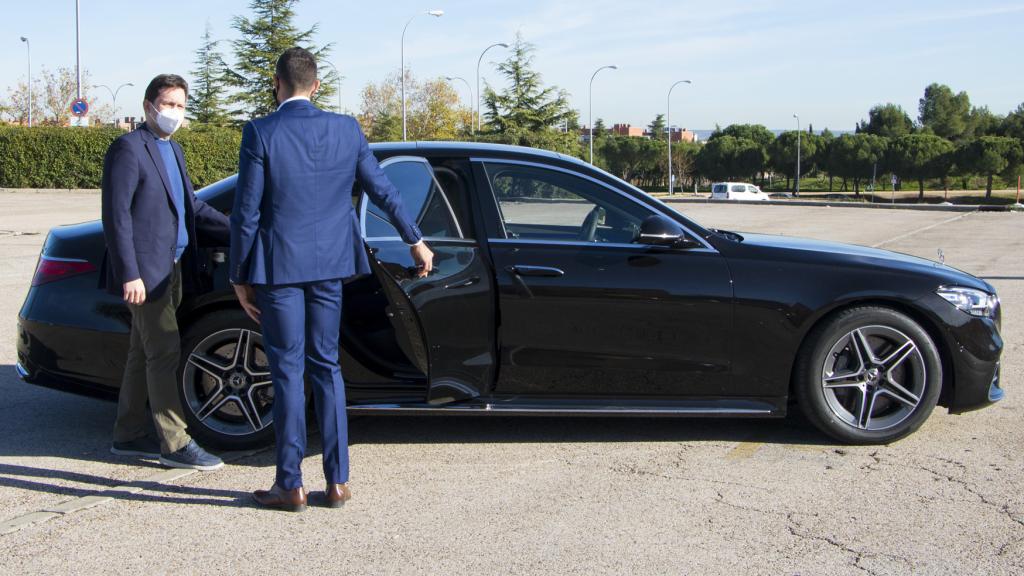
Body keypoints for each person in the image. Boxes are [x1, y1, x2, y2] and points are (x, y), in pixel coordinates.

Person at [231, 47, 434, 512]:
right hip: (331, 266)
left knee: (286, 370)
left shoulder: (261, 131)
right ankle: (338, 481)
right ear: (316, 85)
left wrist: (239, 275)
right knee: (327, 366)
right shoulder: (346, 129)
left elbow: (245, 211)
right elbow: (382, 188)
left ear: (276, 84)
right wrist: (414, 238)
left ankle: (291, 485)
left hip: (278, 269)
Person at [101, 74, 230, 470]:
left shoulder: (172, 150)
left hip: (172, 266)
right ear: (148, 106)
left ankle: (127, 434)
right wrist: (130, 274)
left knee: (142, 353)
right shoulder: (128, 149)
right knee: (164, 351)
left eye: (180, 104)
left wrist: (240, 227)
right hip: (146, 273)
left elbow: (190, 206)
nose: (174, 111)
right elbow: (116, 217)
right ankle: (175, 443)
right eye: (168, 103)